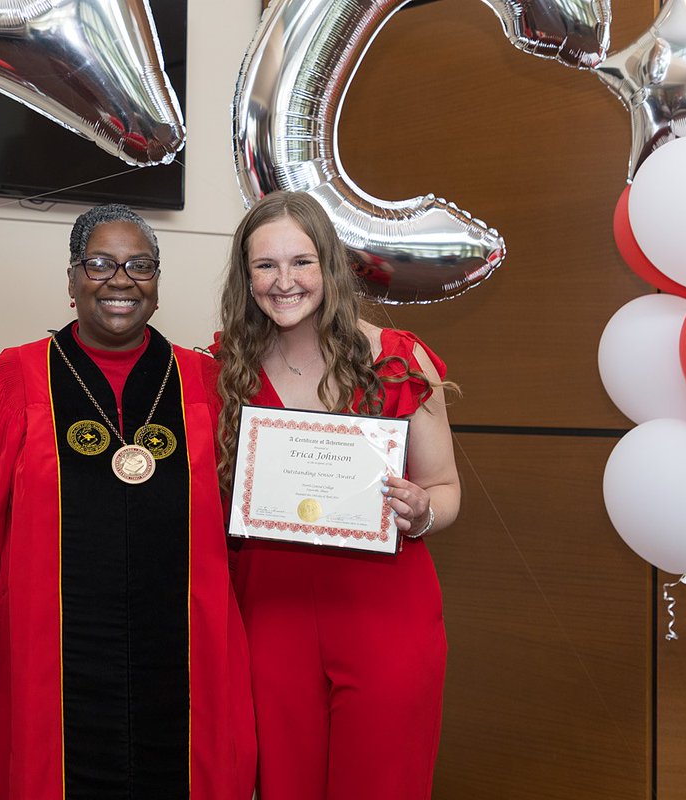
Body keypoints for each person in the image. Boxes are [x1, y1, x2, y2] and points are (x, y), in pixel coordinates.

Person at [0, 204, 256, 800]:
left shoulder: (206, 383)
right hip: (53, 666)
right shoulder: (16, 379)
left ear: (156, 282)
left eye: (139, 265)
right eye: (100, 264)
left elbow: (246, 516)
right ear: (71, 280)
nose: (121, 280)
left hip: (183, 662)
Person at [212, 191, 461, 800]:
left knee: (382, 783)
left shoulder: (399, 360)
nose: (284, 281)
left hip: (384, 614)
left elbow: (446, 489)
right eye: (265, 266)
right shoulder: (223, 367)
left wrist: (422, 513)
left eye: (301, 262)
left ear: (328, 264)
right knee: (283, 783)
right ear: (247, 278)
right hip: (270, 613)